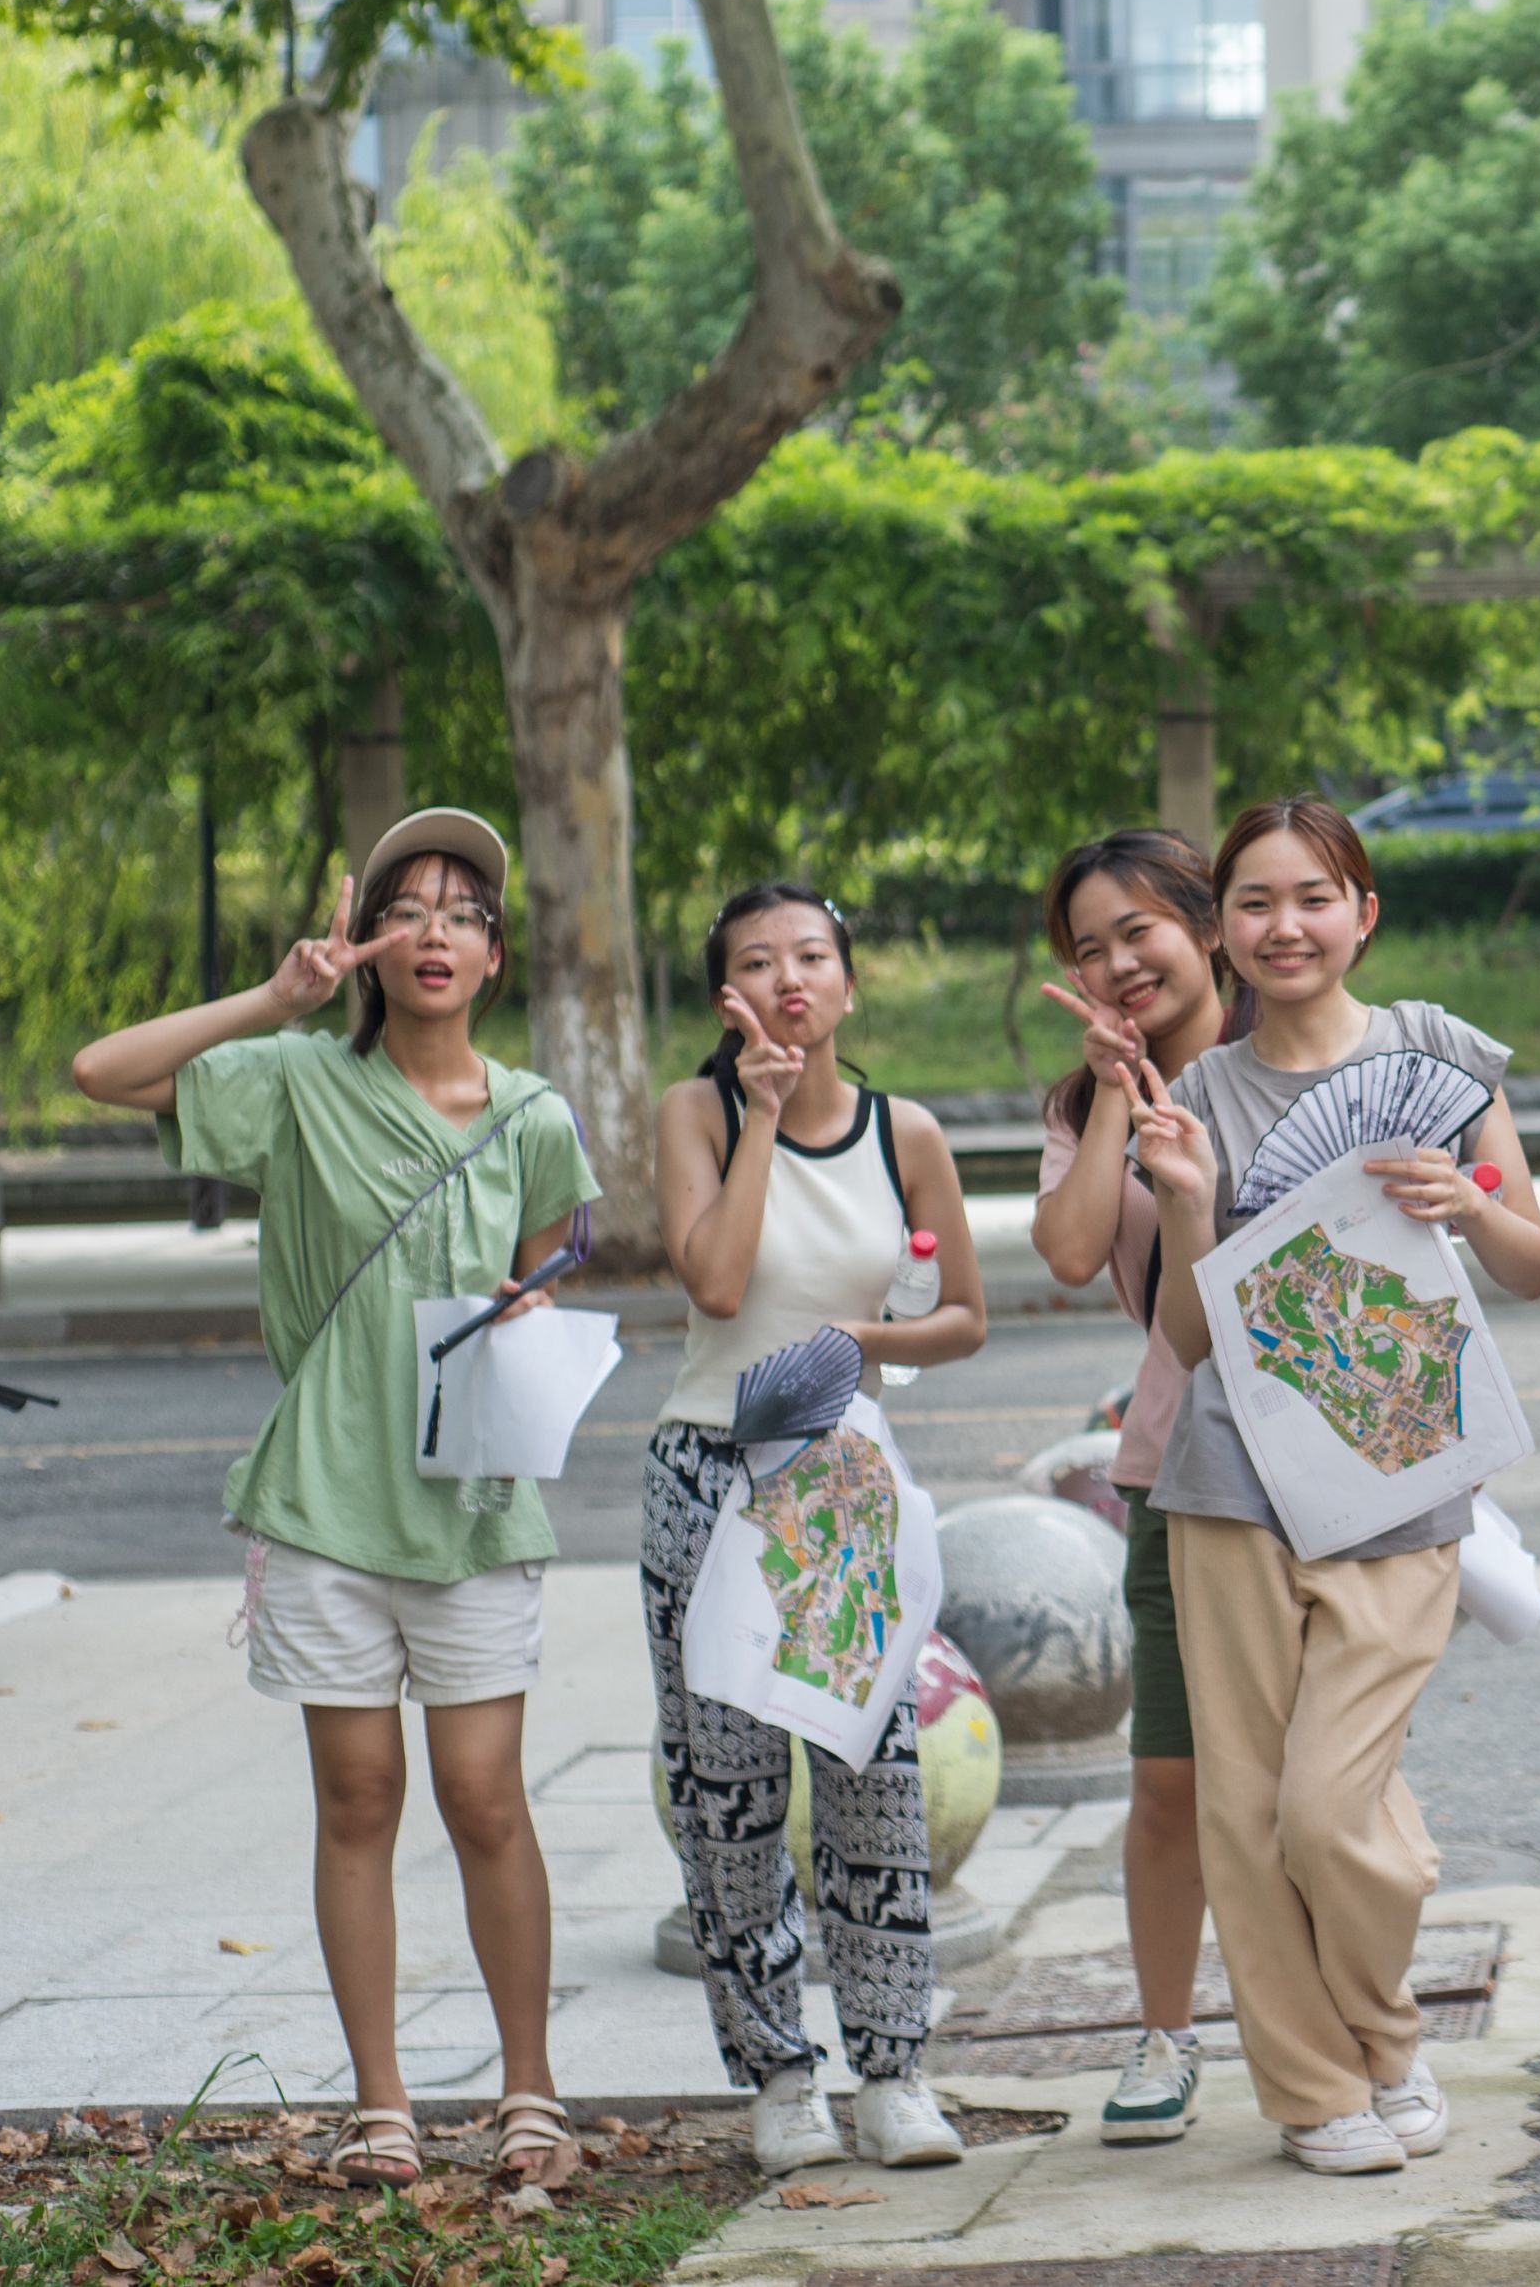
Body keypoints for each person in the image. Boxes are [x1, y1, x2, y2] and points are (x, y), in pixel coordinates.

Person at [67, 810, 597, 2194]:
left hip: (471, 1503)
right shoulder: (298, 1079)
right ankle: (384, 2102)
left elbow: (549, 1270)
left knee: (486, 1799)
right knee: (357, 1798)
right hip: (323, 1499)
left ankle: (529, 2088)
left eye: (462, 914)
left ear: (493, 954)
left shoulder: (535, 1116)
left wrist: (526, 1308)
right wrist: (273, 998)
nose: (434, 933)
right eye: (404, 909)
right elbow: (101, 1071)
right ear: (363, 943)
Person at [1130, 796, 1540, 2177]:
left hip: (1399, 1473)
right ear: (1220, 930)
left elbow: (1534, 1262)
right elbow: (1187, 1340)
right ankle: (1316, 2091)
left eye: (1313, 896)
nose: (1286, 926)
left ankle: (1383, 2033)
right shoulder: (1196, 1093)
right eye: (1254, 902)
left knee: (1331, 1807)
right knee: (1247, 1813)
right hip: (1226, 1483)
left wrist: (1469, 1204)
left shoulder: (1438, 1051)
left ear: (1363, 913)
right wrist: (1184, 1199)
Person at [644, 882, 985, 2175]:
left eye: (810, 957)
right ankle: (780, 2076)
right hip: (709, 1471)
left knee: (872, 1775)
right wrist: (764, 1116)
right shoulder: (696, 1113)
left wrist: (861, 1341)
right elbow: (718, 1280)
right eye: (755, 962)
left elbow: (964, 1315)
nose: (788, 979)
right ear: (723, 996)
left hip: (843, 1475)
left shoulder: (909, 1132)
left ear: (848, 981)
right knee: (726, 1794)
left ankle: (894, 2072)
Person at [1022, 827, 1239, 2144]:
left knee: (1318, 1785)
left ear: (1208, 926)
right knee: (1169, 1779)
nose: (1117, 962)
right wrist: (1113, 1092)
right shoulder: (1082, 1104)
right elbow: (1065, 1251)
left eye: (1139, 930)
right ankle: (1165, 2034)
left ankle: (1346, 2030)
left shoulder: (1293, 1058)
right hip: (1177, 1466)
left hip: (1326, 1470)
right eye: (1088, 947)